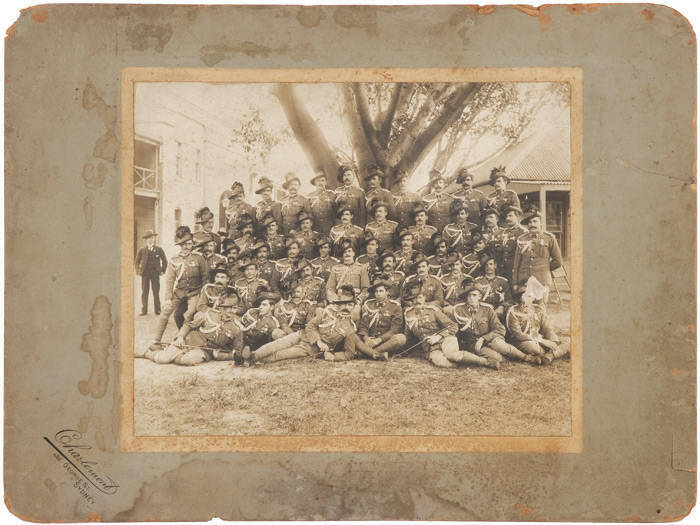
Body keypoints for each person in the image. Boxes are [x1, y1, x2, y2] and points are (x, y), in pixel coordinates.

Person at [251, 286, 384, 363]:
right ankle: (251, 357)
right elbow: (310, 326)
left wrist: (375, 354)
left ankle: (256, 360)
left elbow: (352, 351)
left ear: (354, 307)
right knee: (276, 345)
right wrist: (319, 341)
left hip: (309, 349)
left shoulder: (350, 327)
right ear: (337, 304)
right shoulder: (325, 312)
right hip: (301, 335)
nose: (346, 308)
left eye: (350, 305)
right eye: (342, 304)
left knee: (280, 355)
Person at [136, 287, 245, 365]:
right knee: (163, 359)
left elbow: (235, 353)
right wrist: (180, 337)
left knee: (188, 360)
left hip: (205, 351)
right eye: (225, 308)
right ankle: (147, 353)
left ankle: (172, 354)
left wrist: (228, 356)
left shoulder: (237, 329)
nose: (229, 311)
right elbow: (188, 325)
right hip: (189, 341)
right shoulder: (208, 315)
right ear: (220, 307)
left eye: (233, 308)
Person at [403, 282, 497, 369]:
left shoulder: (433, 311)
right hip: (431, 348)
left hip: (446, 339)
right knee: (441, 362)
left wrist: (438, 336)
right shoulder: (408, 314)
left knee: (452, 355)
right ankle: (466, 362)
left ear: (424, 298)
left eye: (419, 297)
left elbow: (453, 326)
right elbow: (408, 337)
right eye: (413, 299)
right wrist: (401, 351)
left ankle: (486, 362)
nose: (417, 301)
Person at [149, 226, 208, 350]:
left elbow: (205, 278)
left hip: (195, 292)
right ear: (180, 246)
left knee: (189, 314)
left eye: (189, 244)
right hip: (180, 292)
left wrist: (202, 296)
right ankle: (156, 341)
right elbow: (170, 281)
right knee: (165, 312)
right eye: (183, 245)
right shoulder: (174, 260)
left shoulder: (199, 258)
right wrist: (167, 299)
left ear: (192, 244)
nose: (187, 247)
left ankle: (181, 338)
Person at [452, 283, 538, 365]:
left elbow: (499, 329)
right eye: (469, 295)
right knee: (497, 358)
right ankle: (507, 358)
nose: (471, 298)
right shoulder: (459, 310)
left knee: (501, 346)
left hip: (490, 339)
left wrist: (483, 338)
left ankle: (526, 357)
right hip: (473, 344)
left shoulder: (487, 309)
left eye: (474, 295)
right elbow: (455, 330)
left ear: (480, 297)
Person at [506, 279, 570, 364]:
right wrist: (542, 341)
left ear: (534, 298)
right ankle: (556, 352)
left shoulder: (538, 309)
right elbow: (518, 335)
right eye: (525, 296)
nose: (527, 300)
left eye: (530, 296)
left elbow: (546, 328)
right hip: (523, 341)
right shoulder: (513, 312)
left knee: (567, 340)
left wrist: (553, 341)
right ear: (520, 297)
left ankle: (549, 356)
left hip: (539, 339)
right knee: (533, 347)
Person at [512, 206, 563, 304]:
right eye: (530, 222)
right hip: (524, 281)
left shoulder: (549, 238)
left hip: (542, 280)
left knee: (540, 310)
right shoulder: (522, 239)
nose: (532, 225)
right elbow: (516, 263)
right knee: (525, 310)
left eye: (535, 221)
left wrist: (545, 269)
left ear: (541, 223)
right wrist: (515, 282)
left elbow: (558, 261)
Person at [357, 279, 407, 356]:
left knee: (401, 338)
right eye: (376, 291)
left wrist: (379, 340)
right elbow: (363, 326)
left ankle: (368, 353)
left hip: (386, 342)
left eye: (381, 291)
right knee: (353, 336)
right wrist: (366, 338)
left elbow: (395, 329)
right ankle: (376, 354)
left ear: (387, 292)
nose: (378, 294)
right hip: (369, 341)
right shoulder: (368, 305)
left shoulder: (395, 306)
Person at [135, 230, 167, 316]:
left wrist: (162, 271)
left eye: (152, 238)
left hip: (155, 273)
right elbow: (136, 262)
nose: (150, 240)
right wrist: (138, 270)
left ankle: (158, 310)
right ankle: (144, 310)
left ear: (154, 238)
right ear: (146, 240)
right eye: (148, 238)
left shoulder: (159, 249)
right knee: (144, 292)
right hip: (145, 273)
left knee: (156, 291)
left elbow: (165, 261)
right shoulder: (142, 250)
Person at [474, 253, 512, 319]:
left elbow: (509, 300)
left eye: (491, 264)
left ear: (495, 265)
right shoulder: (477, 281)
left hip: (498, 313)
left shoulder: (503, 282)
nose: (488, 267)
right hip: (482, 313)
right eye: (486, 265)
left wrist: (502, 307)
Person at [499, 205, 527, 278]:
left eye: (511, 216)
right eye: (506, 216)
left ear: (518, 217)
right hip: (503, 271)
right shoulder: (504, 232)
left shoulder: (524, 232)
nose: (507, 218)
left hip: (517, 272)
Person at [423, 169, 454, 234]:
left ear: (444, 185)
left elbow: (453, 216)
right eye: (436, 183)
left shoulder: (450, 199)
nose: (438, 185)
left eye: (440, 182)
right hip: (432, 230)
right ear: (433, 186)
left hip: (447, 230)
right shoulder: (426, 199)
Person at [308, 169, 336, 235]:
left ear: (326, 182)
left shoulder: (331, 194)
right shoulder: (309, 196)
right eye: (318, 181)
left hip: (330, 226)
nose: (320, 183)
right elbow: (308, 212)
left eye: (322, 180)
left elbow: (337, 211)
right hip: (315, 227)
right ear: (315, 183)